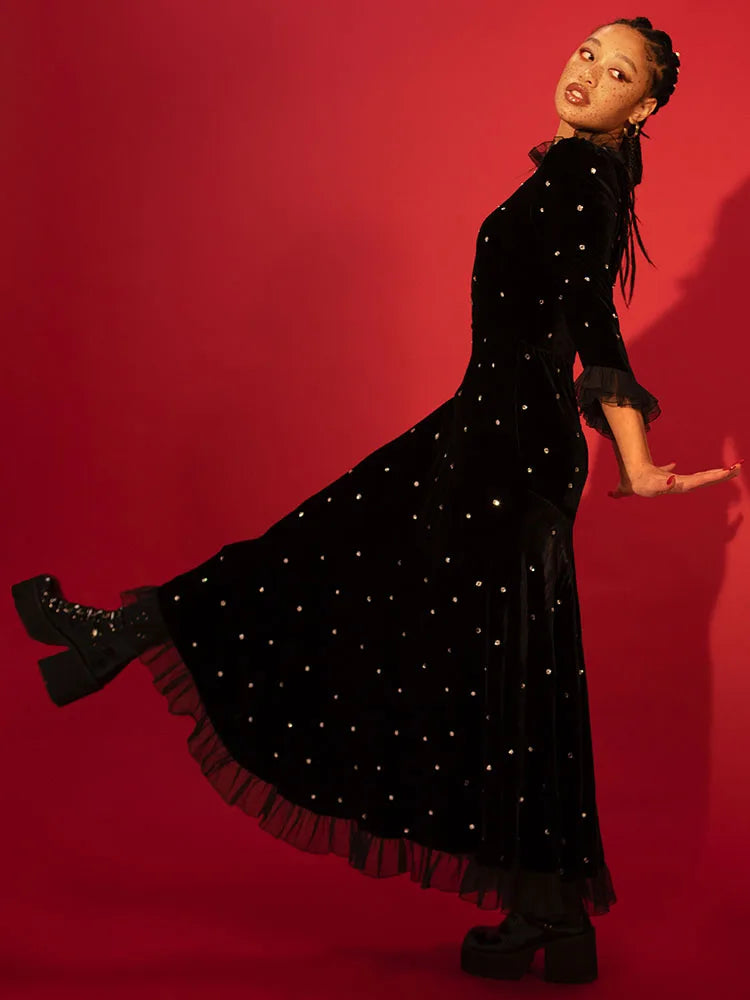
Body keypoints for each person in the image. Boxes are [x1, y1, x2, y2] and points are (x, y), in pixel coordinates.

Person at [10, 15, 741, 986]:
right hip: (497, 431)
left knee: (328, 570)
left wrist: (639, 462)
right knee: (505, 671)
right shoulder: (585, 182)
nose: (588, 74)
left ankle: (122, 630)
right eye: (586, 54)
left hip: (503, 445)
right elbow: (584, 316)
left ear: (640, 108)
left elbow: (593, 326)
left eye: (616, 73)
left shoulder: (578, 184)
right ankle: (552, 921)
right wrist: (626, 460)